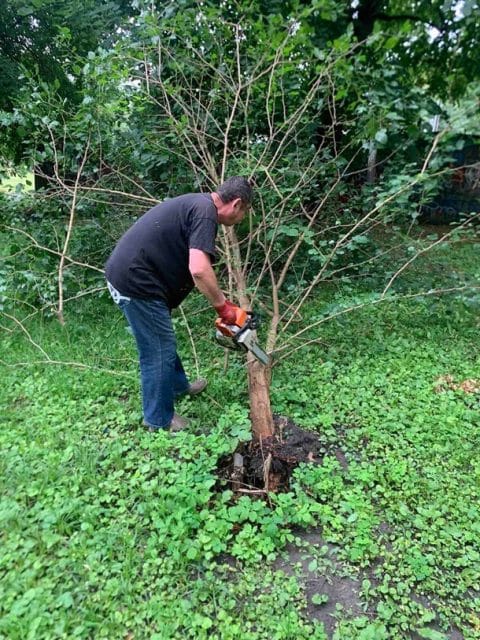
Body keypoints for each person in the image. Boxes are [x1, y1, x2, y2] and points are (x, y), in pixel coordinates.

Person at [105, 176, 252, 432]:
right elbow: (198, 269)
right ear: (237, 204)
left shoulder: (200, 206)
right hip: (137, 283)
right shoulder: (206, 214)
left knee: (163, 340)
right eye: (244, 214)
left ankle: (177, 386)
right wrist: (223, 307)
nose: (241, 220)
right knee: (158, 350)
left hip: (133, 276)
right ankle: (159, 419)